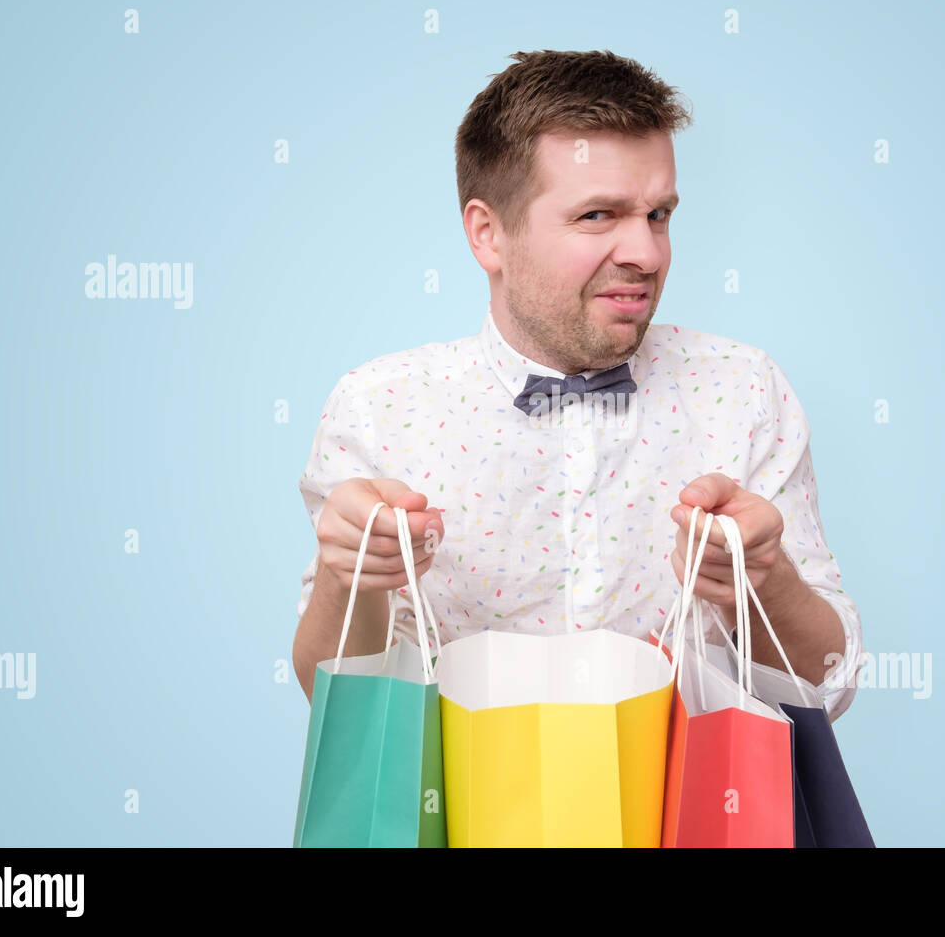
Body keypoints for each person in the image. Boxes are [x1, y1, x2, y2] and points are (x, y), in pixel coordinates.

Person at [293, 50, 862, 721]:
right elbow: (338, 707)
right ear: (488, 234)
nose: (646, 255)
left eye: (659, 215)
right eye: (598, 216)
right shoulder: (380, 407)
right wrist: (349, 576)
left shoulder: (744, 391)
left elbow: (828, 688)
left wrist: (763, 582)